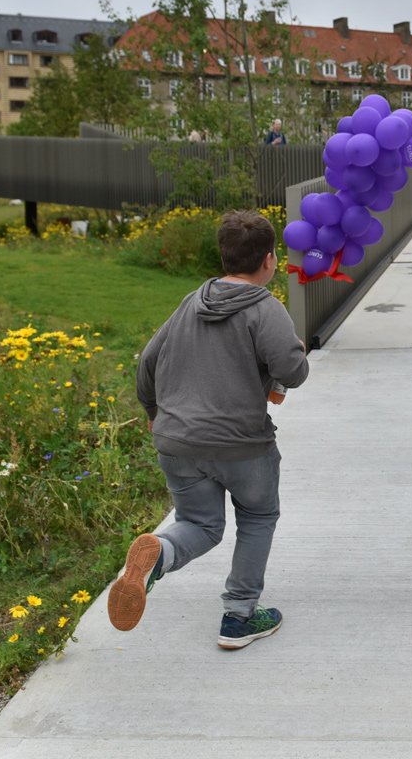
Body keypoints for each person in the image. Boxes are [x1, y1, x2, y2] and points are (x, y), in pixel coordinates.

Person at [111, 210, 309, 649]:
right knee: (258, 517)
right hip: (241, 444)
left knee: (200, 524)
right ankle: (239, 616)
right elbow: (292, 373)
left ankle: (157, 555)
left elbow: (147, 362)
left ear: (223, 256)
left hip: (177, 439)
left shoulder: (190, 303)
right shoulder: (266, 309)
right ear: (270, 260)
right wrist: (295, 352)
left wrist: (152, 410)